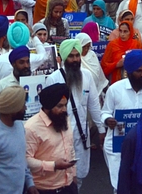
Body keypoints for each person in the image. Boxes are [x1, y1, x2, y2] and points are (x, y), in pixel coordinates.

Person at [45, 39, 104, 188]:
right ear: (64, 57)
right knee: (61, 178)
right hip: (60, 136)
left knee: (79, 176)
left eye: (77, 55)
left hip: (81, 135)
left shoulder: (87, 76)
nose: (75, 59)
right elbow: (47, 110)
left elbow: (94, 105)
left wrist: (101, 129)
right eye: (71, 56)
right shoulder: (54, 78)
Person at [102, 50, 142, 191]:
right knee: (120, 185)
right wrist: (108, 120)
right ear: (129, 72)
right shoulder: (115, 90)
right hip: (117, 146)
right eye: (139, 71)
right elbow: (104, 112)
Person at [25, 83, 78, 194]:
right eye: (59, 106)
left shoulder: (64, 119)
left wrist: (73, 175)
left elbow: (69, 147)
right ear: (47, 107)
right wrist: (53, 166)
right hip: (44, 189)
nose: (64, 110)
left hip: (68, 186)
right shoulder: (31, 128)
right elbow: (25, 161)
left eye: (65, 105)